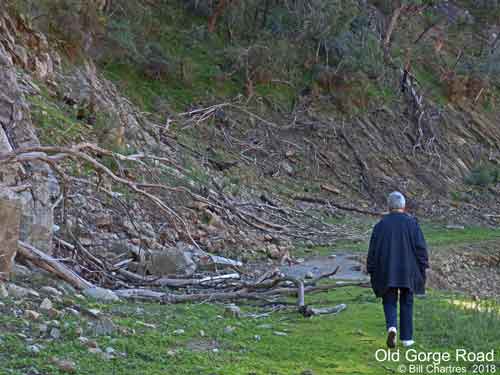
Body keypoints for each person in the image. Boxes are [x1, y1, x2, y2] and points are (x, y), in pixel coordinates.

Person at [367, 192, 429, 348]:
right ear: (404, 206)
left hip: (387, 269)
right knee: (407, 300)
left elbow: (373, 250)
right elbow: (420, 248)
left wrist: (371, 268)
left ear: (388, 207)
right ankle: (407, 338)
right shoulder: (412, 224)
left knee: (389, 299)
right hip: (409, 270)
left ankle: (392, 327)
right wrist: (423, 266)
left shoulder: (380, 225)